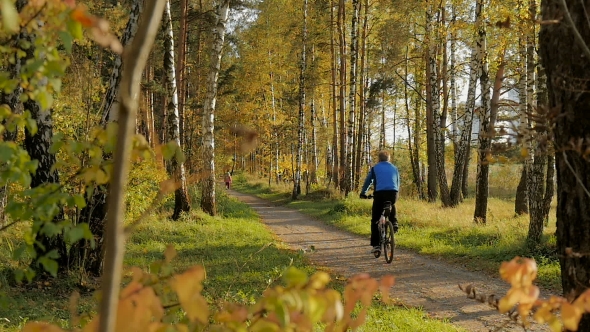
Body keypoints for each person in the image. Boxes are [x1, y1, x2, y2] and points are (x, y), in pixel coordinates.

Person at [359, 151, 400, 254]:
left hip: (380, 194)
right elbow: (398, 182)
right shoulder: (394, 168)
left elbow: (368, 181)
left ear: (379, 159)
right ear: (389, 159)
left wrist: (363, 193)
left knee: (375, 219)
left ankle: (376, 245)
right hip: (394, 193)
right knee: (392, 204)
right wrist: (395, 192)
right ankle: (394, 222)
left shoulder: (375, 168)